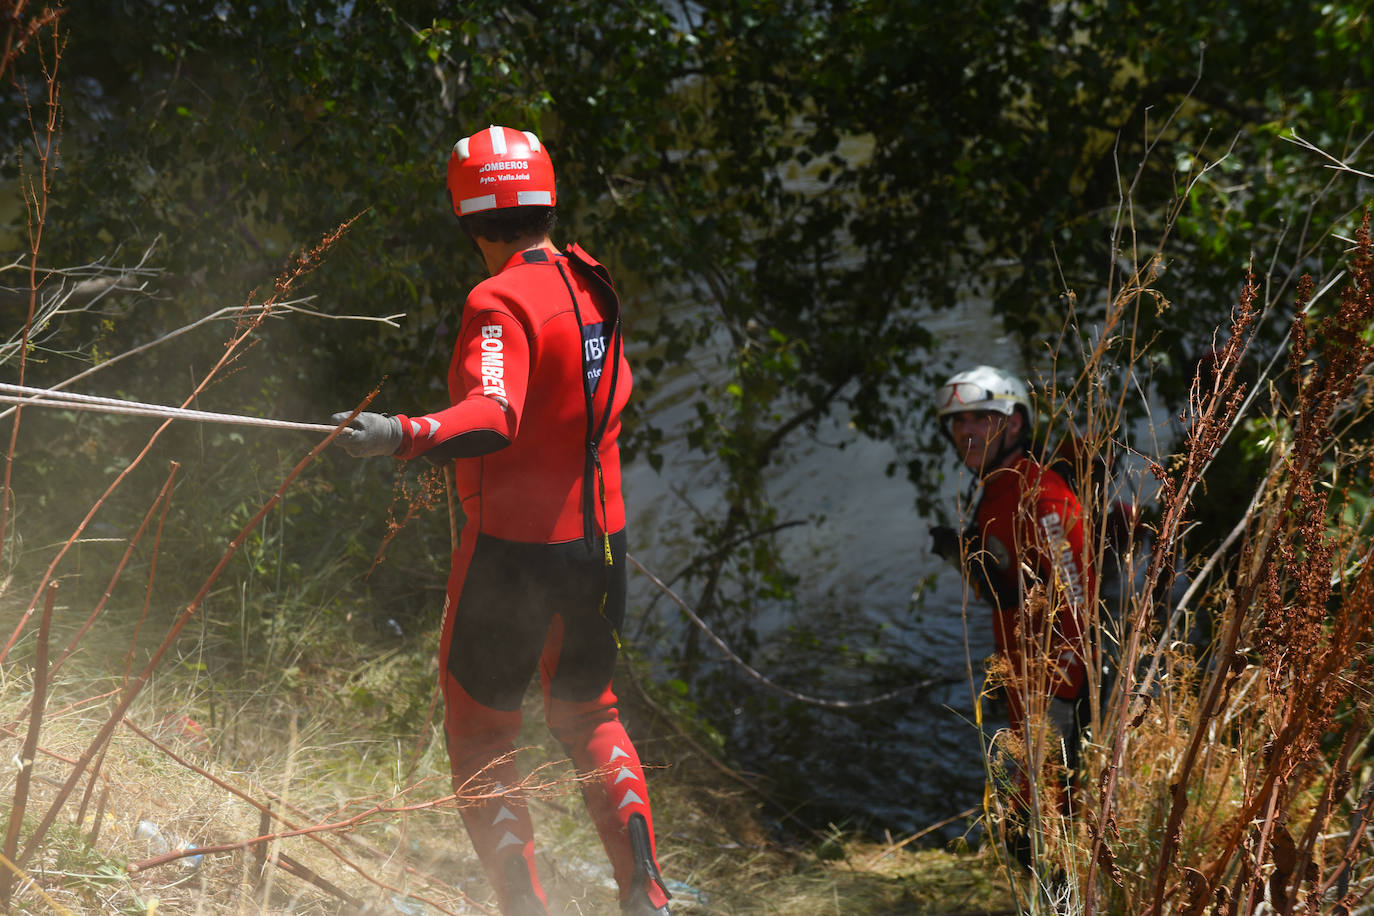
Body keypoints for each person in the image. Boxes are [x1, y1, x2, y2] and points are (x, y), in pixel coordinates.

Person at [330, 126, 671, 916]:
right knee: (591, 714)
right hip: (602, 546)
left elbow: (494, 414)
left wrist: (401, 433)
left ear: (467, 216)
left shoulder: (498, 301)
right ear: (546, 200)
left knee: (483, 737)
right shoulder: (592, 280)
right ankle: (647, 898)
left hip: (515, 557)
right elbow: (610, 391)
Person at [928, 365, 1094, 831]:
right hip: (1023, 679)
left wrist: (1057, 701)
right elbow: (1015, 589)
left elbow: (1076, 601)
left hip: (1057, 689)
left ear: (1014, 423)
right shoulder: (995, 489)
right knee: (1025, 822)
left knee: (1049, 824)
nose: (965, 431)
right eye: (958, 422)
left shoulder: (1041, 496)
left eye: (980, 419)